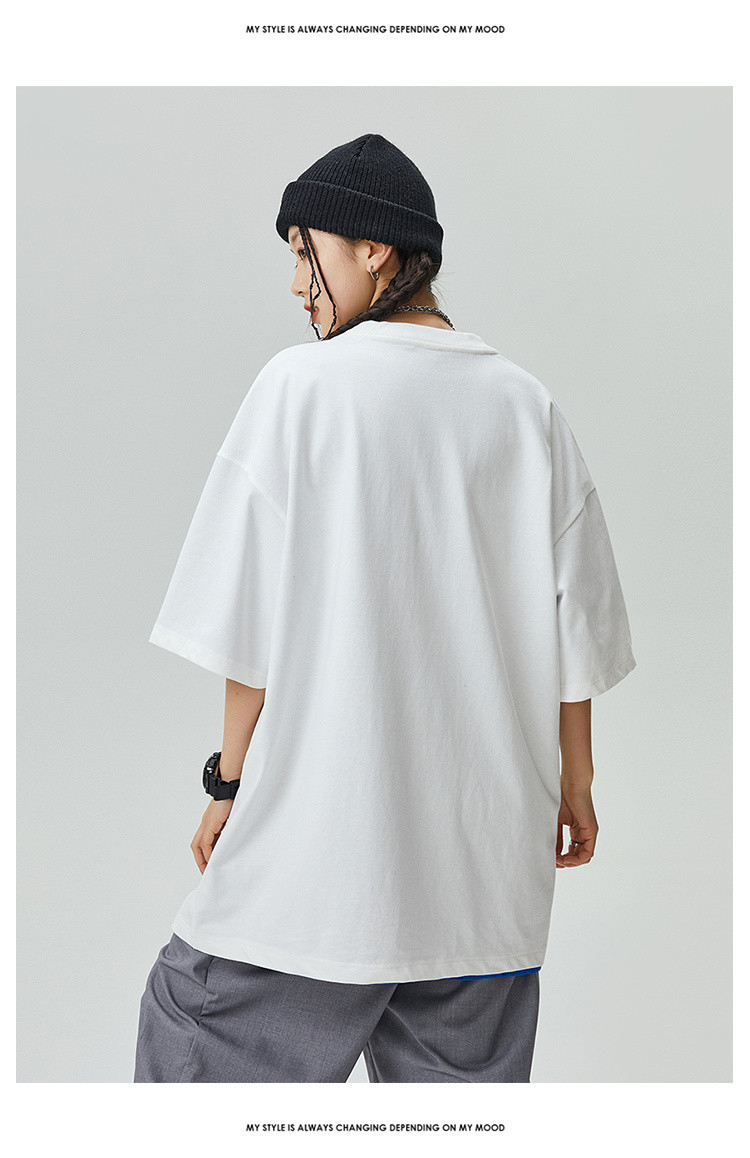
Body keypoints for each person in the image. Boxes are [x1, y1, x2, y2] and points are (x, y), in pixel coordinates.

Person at [133, 133, 636, 1083]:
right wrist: (577, 785)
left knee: (191, 1056)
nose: (296, 284)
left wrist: (228, 784)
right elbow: (578, 636)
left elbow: (248, 633)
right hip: (484, 884)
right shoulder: (526, 406)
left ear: (374, 249)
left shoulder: (299, 390)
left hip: (316, 874)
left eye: (304, 250)